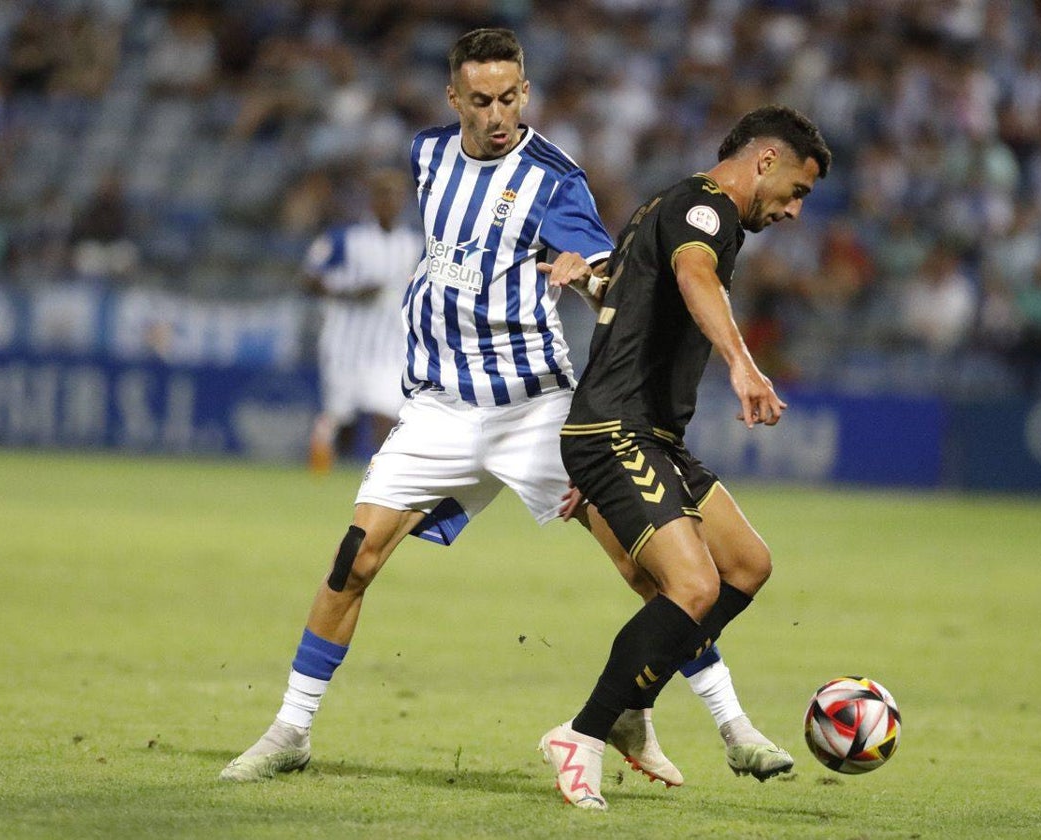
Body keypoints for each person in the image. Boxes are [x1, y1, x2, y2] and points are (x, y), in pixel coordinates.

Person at [220, 27, 777, 787]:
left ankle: (725, 723)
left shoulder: (556, 178)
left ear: (526, 93)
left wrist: (582, 277)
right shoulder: (425, 156)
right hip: (439, 411)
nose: (497, 114)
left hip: (535, 411)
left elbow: (617, 289)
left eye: (510, 97)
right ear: (454, 100)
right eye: (480, 100)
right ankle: (290, 730)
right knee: (354, 560)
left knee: (646, 566)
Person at [540, 104, 832, 810]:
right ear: (765, 161)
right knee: (694, 587)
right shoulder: (706, 211)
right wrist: (742, 363)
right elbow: (697, 277)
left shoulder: (666, 206)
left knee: (746, 565)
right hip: (615, 429)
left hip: (649, 435)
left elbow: (630, 301)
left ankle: (635, 693)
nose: (795, 211)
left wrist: (588, 285)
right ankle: (582, 734)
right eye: (797, 191)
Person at [304, 167, 420, 473]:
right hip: (345, 343)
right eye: (383, 195)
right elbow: (308, 279)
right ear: (372, 200)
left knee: (388, 414)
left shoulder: (413, 245)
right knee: (341, 419)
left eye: (396, 196)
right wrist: (351, 292)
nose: (390, 202)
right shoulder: (344, 239)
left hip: (388, 347)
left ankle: (383, 479)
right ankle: (322, 472)